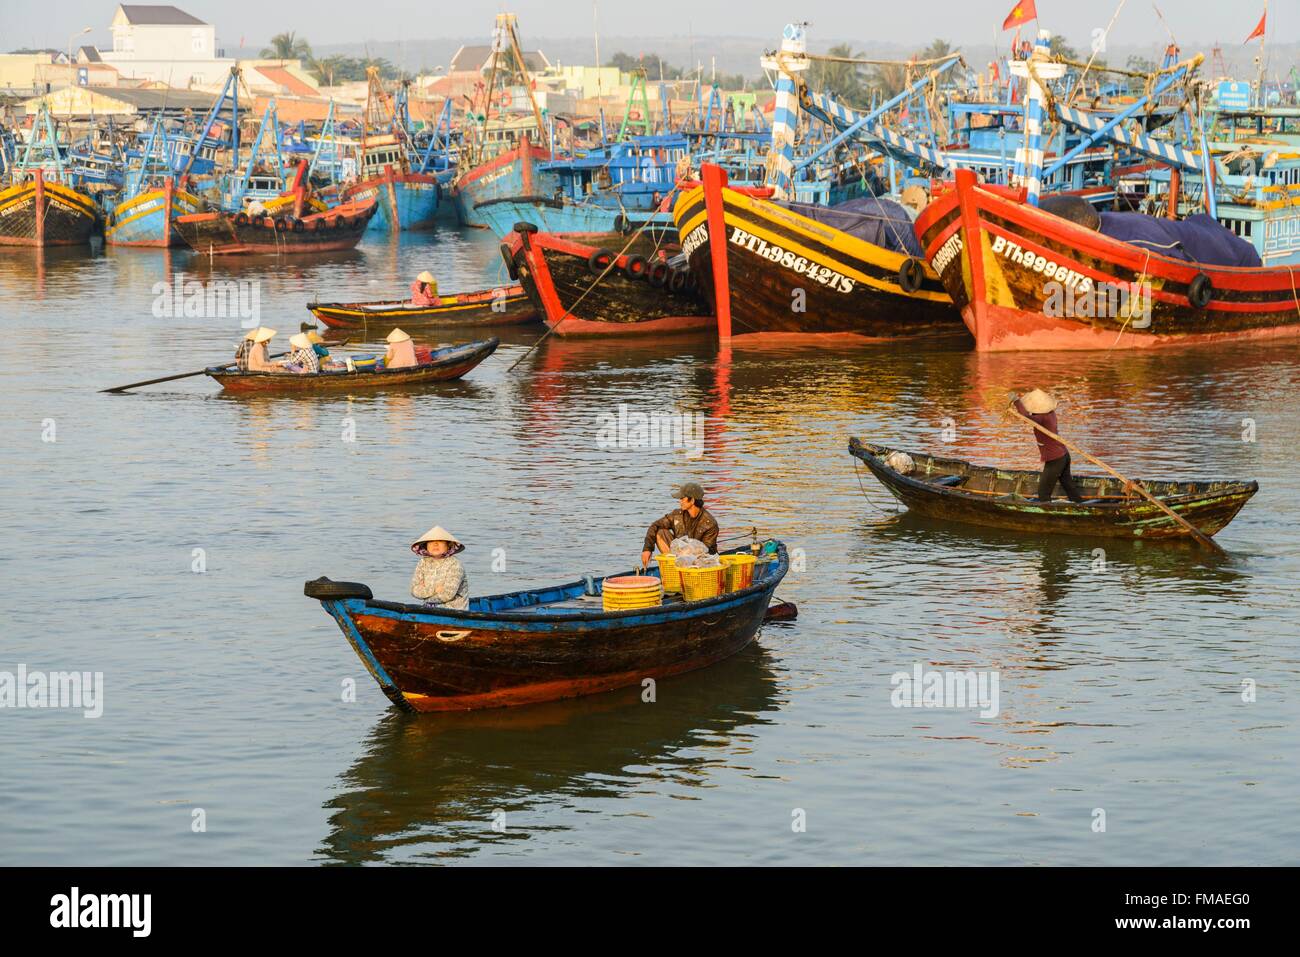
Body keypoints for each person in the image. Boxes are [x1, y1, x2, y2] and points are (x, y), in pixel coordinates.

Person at [1013, 389, 1084, 503]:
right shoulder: (1051, 414)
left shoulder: (1041, 418)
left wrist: (1016, 402)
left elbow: (1026, 416)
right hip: (1064, 455)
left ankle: (1047, 515)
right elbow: (1028, 416)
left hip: (1055, 459)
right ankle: (1080, 504)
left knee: (1043, 493)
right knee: (1068, 486)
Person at [641, 482, 719, 569]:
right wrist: (647, 549)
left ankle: (678, 569)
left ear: (692, 500)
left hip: (700, 563)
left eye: (682, 498)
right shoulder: (677, 515)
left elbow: (705, 552)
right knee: (660, 531)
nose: (680, 501)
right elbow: (655, 525)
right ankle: (673, 567)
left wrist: (687, 554)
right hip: (678, 556)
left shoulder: (710, 524)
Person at [410, 525, 469, 610]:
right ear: (426, 546)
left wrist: (425, 592)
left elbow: (447, 595)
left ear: (448, 545)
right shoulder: (423, 563)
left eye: (440, 541)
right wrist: (435, 589)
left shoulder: (455, 564)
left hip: (453, 611)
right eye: (431, 541)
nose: (435, 544)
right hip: (427, 609)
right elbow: (414, 591)